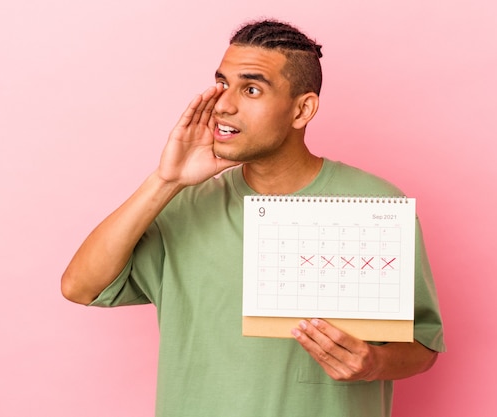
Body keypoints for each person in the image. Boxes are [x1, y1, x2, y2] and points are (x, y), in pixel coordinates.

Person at [61, 19, 445, 417]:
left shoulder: (375, 205)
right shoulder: (185, 205)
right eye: (222, 83)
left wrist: (375, 364)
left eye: (251, 89)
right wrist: (165, 180)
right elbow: (80, 287)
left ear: (302, 109)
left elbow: (424, 345)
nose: (224, 103)